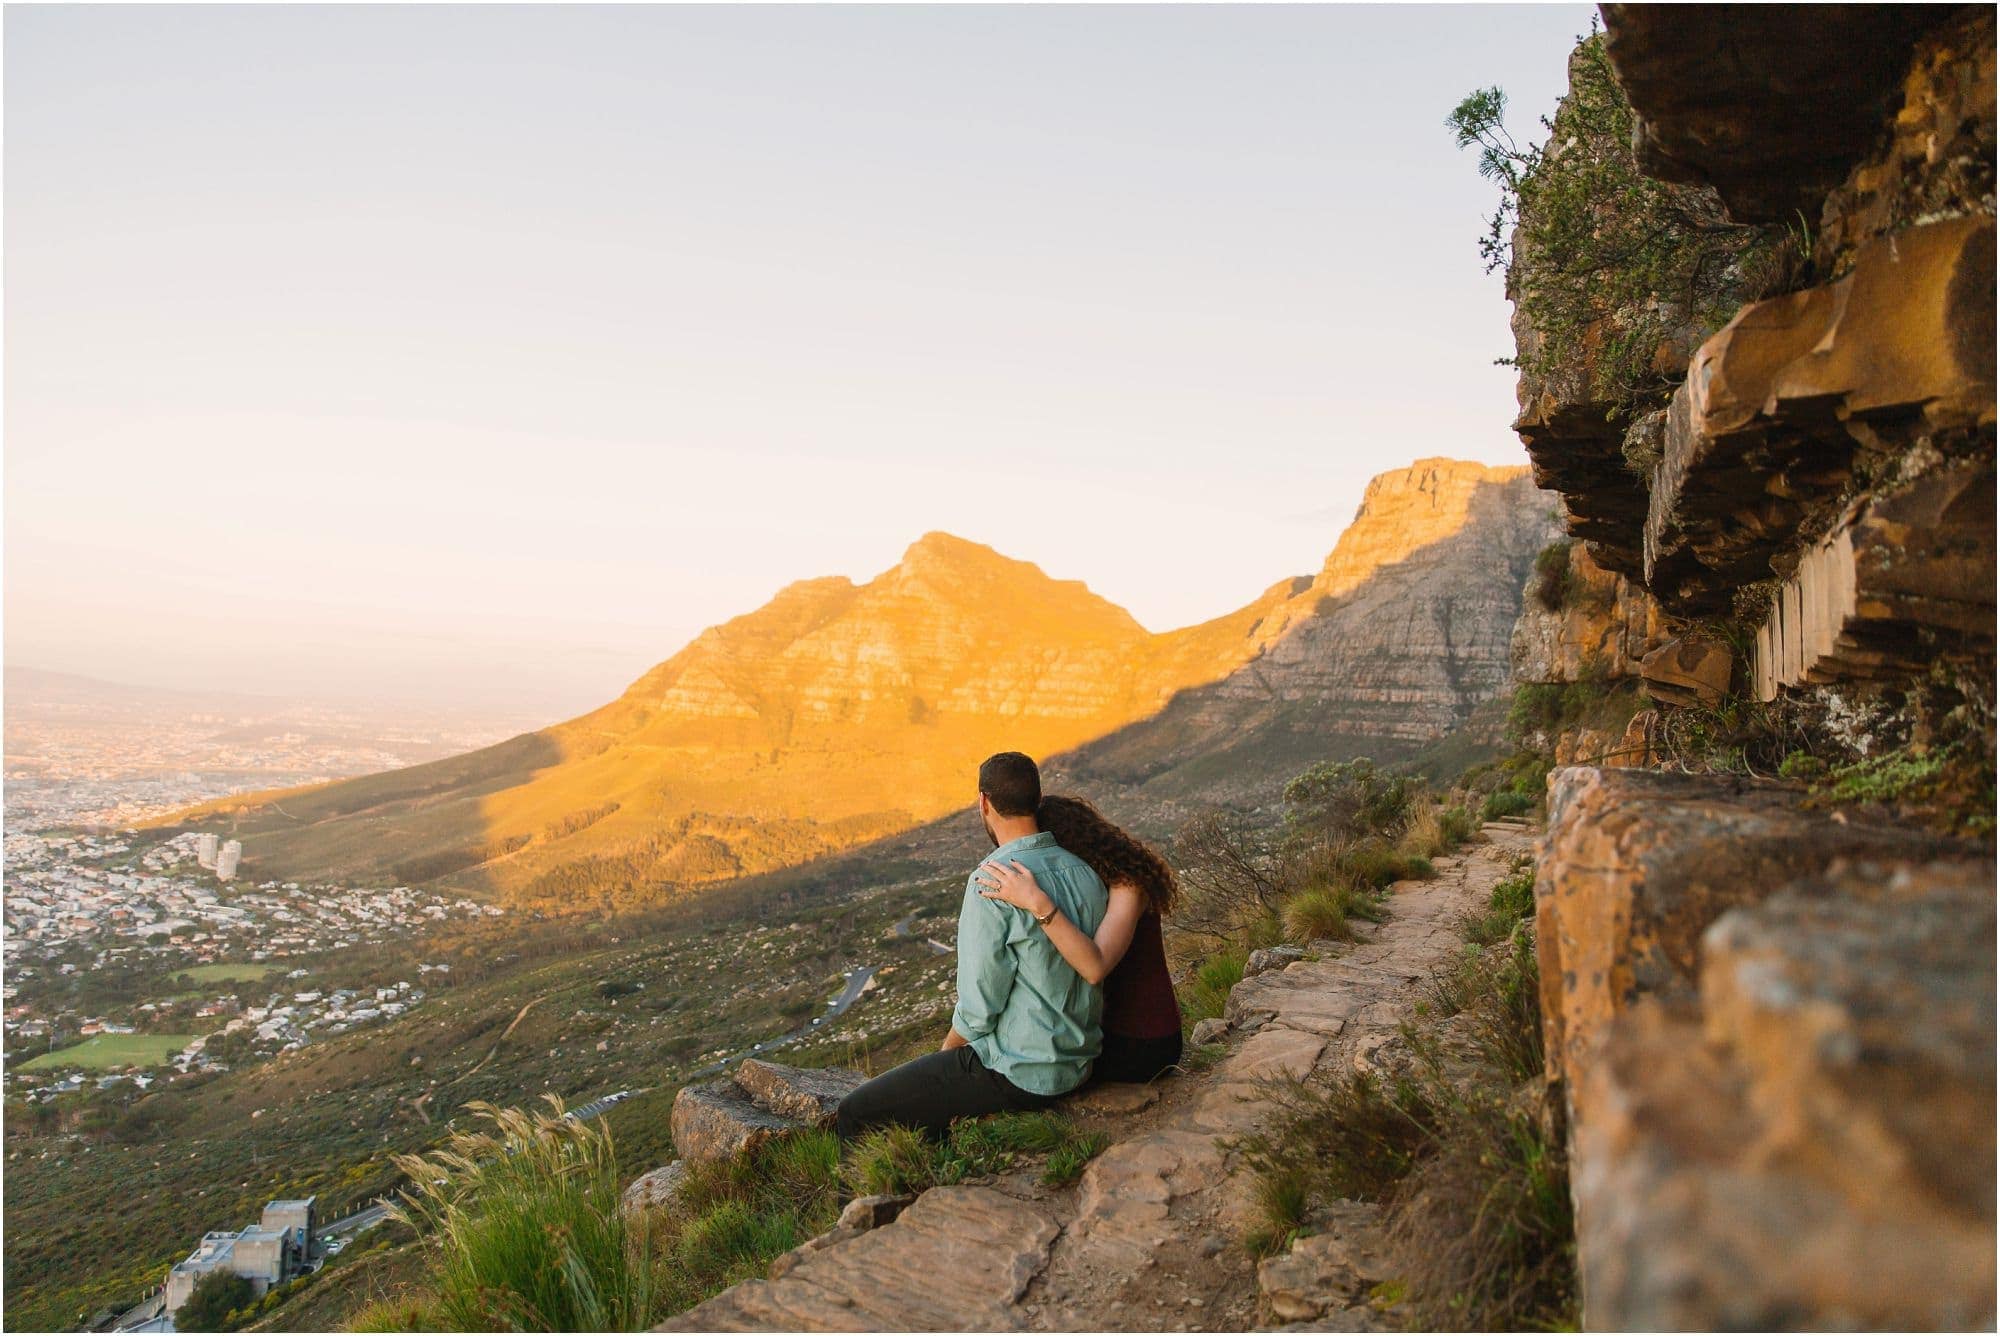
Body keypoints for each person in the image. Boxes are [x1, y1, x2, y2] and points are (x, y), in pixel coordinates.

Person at [834, 752, 1108, 1140]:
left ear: (984, 802)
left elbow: (981, 1005)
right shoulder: (1084, 872)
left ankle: (859, 1202)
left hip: (1021, 1072)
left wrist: (945, 1055)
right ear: (1036, 799)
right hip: (1079, 1064)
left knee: (854, 1111)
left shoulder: (991, 881)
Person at [974, 795, 1184, 1085]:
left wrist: (1036, 901)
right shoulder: (1095, 888)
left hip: (1142, 1042)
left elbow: (1095, 967)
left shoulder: (1129, 887)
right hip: (1115, 1032)